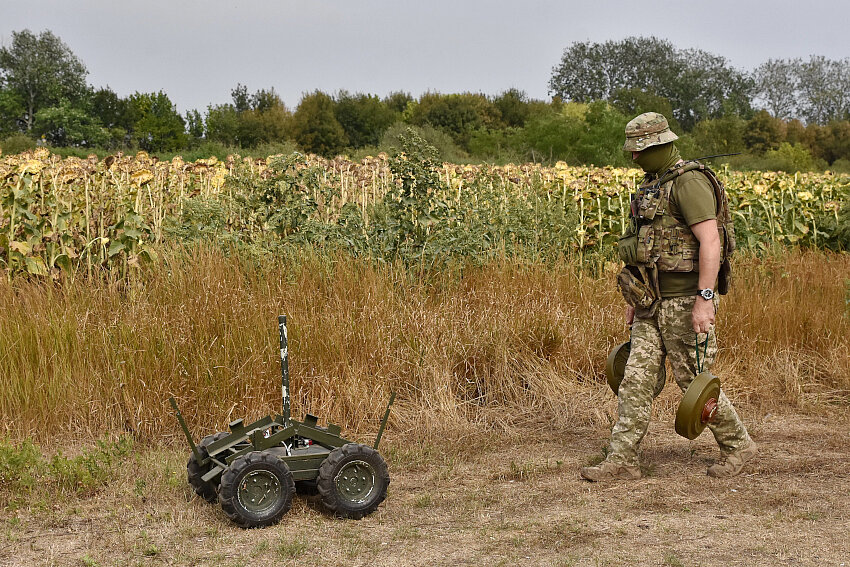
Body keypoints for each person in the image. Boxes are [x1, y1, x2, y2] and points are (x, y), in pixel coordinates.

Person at [581, 112, 757, 481]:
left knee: (692, 381)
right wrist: (633, 302)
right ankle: (622, 460)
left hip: (684, 301)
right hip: (649, 303)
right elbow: (646, 249)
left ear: (662, 144)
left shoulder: (689, 183)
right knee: (635, 380)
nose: (633, 157)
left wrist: (705, 299)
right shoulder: (651, 186)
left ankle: (738, 446)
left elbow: (712, 242)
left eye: (639, 150)